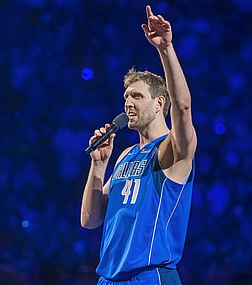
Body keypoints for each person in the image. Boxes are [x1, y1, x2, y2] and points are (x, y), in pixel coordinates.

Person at [80, 5, 197, 285]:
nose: (128, 103)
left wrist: (165, 49)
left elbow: (182, 106)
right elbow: (90, 219)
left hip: (149, 276)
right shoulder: (125, 156)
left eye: (137, 96)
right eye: (126, 97)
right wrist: (98, 165)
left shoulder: (171, 150)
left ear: (159, 104)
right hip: (108, 278)